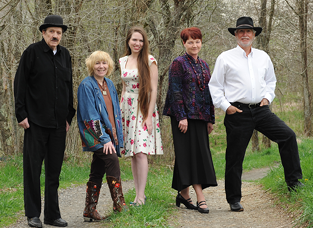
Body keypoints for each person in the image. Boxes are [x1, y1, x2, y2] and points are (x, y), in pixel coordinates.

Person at [209, 16, 303, 212]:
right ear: (236, 34)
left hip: (261, 110)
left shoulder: (263, 57)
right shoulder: (225, 58)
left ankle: (294, 183)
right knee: (235, 156)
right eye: (241, 31)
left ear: (254, 34)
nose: (245, 35)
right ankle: (233, 199)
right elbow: (215, 86)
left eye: (248, 31)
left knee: (288, 136)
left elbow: (271, 81)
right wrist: (226, 107)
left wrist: (267, 98)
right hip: (237, 111)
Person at [14, 15, 75, 227]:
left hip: (59, 124)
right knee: (33, 170)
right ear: (43, 33)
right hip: (35, 122)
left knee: (54, 172)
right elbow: (20, 83)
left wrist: (69, 115)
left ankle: (52, 215)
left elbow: (69, 87)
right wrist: (21, 114)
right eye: (51, 32)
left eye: (59, 32)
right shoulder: (32, 53)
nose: (55, 35)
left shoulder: (66, 55)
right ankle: (33, 214)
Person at [163, 27, 217, 214]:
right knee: (191, 155)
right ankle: (200, 196)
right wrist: (181, 116)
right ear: (184, 44)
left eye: (197, 41)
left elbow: (210, 93)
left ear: (201, 43)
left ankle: (183, 194)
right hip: (183, 117)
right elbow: (175, 91)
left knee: (192, 154)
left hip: (201, 117)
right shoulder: (178, 63)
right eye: (190, 42)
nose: (194, 45)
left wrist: (211, 119)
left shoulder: (205, 65)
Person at [77, 51, 127, 221]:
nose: (101, 67)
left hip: (109, 135)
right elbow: (90, 117)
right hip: (94, 135)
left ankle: (89, 210)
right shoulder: (86, 85)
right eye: (97, 63)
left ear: (109, 66)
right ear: (92, 65)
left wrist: (117, 137)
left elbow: (116, 113)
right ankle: (119, 205)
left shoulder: (110, 84)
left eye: (104, 63)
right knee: (111, 159)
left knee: (98, 167)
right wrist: (104, 139)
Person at [119, 26, 163, 206]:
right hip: (126, 109)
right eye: (134, 40)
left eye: (140, 40)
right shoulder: (122, 61)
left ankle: (141, 196)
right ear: (128, 41)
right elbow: (123, 87)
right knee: (132, 153)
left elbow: (153, 90)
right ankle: (137, 195)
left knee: (141, 152)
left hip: (143, 107)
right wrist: (119, 111)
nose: (137, 43)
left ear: (144, 43)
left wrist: (149, 115)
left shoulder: (150, 61)